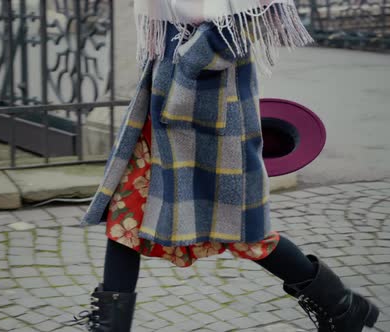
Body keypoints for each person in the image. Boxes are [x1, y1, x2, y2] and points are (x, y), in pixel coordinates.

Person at [72, 1, 380, 331]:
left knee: (246, 231)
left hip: (210, 106)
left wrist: (192, 59)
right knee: (126, 211)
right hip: (164, 100)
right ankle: (110, 326)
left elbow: (251, 14)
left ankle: (342, 306)